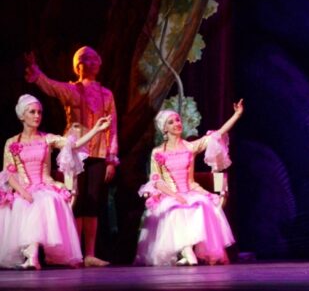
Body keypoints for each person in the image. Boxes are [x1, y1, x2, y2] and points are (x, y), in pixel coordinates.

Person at [24, 47, 119, 267]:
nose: (89, 63)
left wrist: (111, 158)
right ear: (77, 65)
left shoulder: (106, 94)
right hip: (76, 153)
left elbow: (112, 127)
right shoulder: (72, 90)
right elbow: (51, 86)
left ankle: (90, 254)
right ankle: (74, 253)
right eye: (84, 60)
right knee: (76, 201)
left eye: (93, 59)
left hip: (98, 153)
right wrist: (35, 71)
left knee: (92, 203)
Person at [0, 94, 111, 269]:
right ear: (22, 115)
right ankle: (31, 254)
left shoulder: (47, 138)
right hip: (23, 188)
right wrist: (23, 192)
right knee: (26, 202)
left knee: (46, 200)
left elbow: (74, 144)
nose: (37, 115)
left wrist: (96, 130)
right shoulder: (12, 142)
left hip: (45, 185)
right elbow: (9, 173)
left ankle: (33, 255)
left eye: (39, 112)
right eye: (32, 112)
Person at [134, 100, 244, 266]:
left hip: (191, 191)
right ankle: (186, 251)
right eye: (171, 122)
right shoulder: (158, 152)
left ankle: (187, 252)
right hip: (169, 194)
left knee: (201, 205)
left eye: (178, 120)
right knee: (175, 208)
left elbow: (217, 134)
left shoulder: (190, 147)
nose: (177, 124)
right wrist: (176, 196)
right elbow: (156, 180)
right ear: (164, 128)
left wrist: (236, 115)